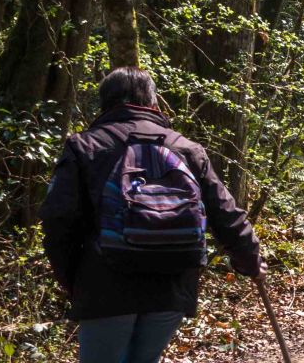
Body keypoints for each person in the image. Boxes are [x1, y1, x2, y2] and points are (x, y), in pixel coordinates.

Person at [41, 67, 266, 362]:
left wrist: (73, 281)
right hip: (172, 284)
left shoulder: (86, 146)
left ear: (105, 103)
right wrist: (250, 260)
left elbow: (58, 221)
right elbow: (225, 212)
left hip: (105, 286)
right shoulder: (186, 148)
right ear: (153, 102)